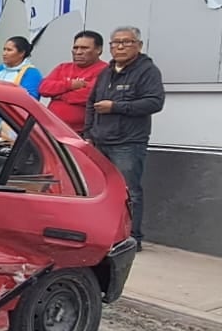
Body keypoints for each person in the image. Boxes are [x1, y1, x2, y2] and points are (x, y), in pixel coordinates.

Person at [85, 26, 165, 248]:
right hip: (100, 141)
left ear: (139, 45)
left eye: (127, 42)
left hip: (128, 143)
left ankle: (132, 238)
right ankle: (104, 235)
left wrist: (116, 106)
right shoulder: (106, 72)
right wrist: (88, 133)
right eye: (115, 42)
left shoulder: (147, 71)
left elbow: (155, 102)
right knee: (100, 191)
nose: (120, 46)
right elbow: (91, 103)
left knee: (129, 192)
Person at [38, 30, 108, 134]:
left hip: (81, 133)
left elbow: (91, 96)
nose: (78, 52)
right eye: (75, 48)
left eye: (84, 48)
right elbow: (43, 88)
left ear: (98, 50)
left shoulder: (105, 70)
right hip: (51, 129)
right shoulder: (63, 67)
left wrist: (58, 95)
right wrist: (70, 85)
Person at [0, 36, 42, 134]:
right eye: (4, 49)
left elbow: (29, 100)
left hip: (12, 127)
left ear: (21, 53)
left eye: (9, 50)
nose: (4, 53)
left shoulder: (31, 73)